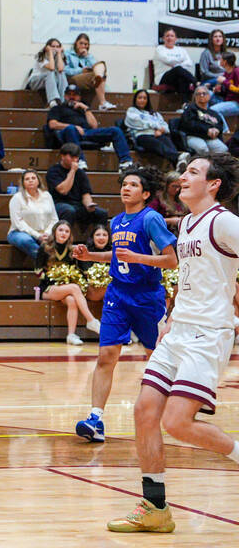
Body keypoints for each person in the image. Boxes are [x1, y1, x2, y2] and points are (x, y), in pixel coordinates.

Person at [107, 154, 239, 534]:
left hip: (207, 334)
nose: (183, 177)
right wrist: (170, 317)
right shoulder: (187, 223)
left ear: (213, 184)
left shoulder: (223, 221)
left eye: (193, 172)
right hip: (177, 329)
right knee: (144, 411)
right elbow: (189, 276)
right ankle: (155, 507)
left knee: (177, 422)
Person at [71, 166, 178, 442]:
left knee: (157, 357)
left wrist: (138, 258)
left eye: (133, 185)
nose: (126, 188)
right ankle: (95, 419)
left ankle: (173, 409)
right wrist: (90, 256)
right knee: (106, 355)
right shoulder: (117, 221)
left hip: (147, 296)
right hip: (117, 295)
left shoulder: (151, 218)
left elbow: (171, 260)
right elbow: (119, 256)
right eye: (124, 184)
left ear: (145, 193)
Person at [37, 220, 100, 345]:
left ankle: (71, 335)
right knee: (74, 288)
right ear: (54, 232)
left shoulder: (72, 250)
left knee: (71, 299)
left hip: (65, 288)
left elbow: (79, 269)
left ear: (70, 235)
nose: (63, 233)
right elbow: (37, 271)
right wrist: (54, 278)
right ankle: (91, 320)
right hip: (48, 288)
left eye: (67, 231)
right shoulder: (45, 248)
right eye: (60, 230)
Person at [46, 84, 135, 171]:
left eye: (75, 95)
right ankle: (79, 160)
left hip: (85, 132)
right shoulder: (57, 108)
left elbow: (94, 125)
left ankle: (126, 161)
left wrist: (86, 109)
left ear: (79, 97)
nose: (72, 97)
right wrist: (74, 127)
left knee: (115, 130)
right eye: (69, 94)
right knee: (71, 129)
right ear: (65, 96)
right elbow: (52, 124)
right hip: (67, 133)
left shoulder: (82, 109)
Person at [47, 143, 110, 232]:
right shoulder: (53, 171)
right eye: (71, 157)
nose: (75, 160)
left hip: (77, 204)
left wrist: (89, 204)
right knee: (69, 210)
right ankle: (66, 238)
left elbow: (86, 194)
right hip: (59, 203)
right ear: (62, 156)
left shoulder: (80, 173)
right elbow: (63, 190)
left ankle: (98, 237)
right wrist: (72, 171)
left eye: (76, 157)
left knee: (101, 213)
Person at [7, 169, 58, 261]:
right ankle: (46, 262)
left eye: (33, 178)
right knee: (25, 240)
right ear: (23, 183)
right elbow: (18, 223)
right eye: (27, 179)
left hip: (46, 233)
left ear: (38, 181)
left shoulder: (47, 196)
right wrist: (38, 236)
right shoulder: (17, 198)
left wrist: (47, 233)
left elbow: (54, 219)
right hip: (21, 232)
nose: (30, 180)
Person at [125, 88, 184, 166]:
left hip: (157, 134)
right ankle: (179, 158)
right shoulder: (132, 111)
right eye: (140, 98)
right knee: (158, 144)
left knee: (168, 142)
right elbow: (139, 123)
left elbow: (165, 126)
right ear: (135, 99)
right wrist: (156, 127)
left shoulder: (154, 114)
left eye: (145, 98)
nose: (142, 100)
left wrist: (161, 130)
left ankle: (178, 164)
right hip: (142, 136)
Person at [64, 33, 113, 110]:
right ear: (76, 43)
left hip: (87, 78)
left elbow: (95, 66)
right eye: (81, 43)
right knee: (99, 75)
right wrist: (81, 70)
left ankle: (98, 78)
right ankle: (103, 103)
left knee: (101, 65)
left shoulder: (88, 55)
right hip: (72, 78)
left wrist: (87, 56)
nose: (83, 46)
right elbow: (65, 70)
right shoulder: (67, 54)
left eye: (86, 44)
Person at [177, 85, 228, 155]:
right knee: (203, 148)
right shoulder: (190, 110)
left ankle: (215, 162)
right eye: (198, 94)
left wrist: (217, 130)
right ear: (195, 97)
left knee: (223, 149)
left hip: (209, 137)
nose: (201, 95)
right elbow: (189, 125)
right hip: (193, 136)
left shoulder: (213, 113)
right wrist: (206, 130)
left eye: (204, 93)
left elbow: (220, 125)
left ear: (209, 96)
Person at [153, 27, 197, 98]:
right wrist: (181, 60)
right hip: (162, 77)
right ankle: (196, 82)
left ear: (176, 39)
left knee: (182, 78)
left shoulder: (181, 50)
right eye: (167, 36)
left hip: (177, 76)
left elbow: (189, 63)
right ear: (163, 38)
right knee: (178, 69)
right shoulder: (159, 49)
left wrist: (176, 64)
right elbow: (168, 60)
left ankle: (184, 102)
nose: (169, 38)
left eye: (172, 36)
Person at [27, 37, 67, 106]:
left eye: (57, 47)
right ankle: (53, 100)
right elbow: (51, 67)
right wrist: (50, 52)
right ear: (47, 47)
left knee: (61, 74)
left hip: (50, 81)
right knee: (50, 72)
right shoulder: (41, 56)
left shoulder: (59, 56)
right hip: (35, 82)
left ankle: (64, 100)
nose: (55, 49)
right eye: (53, 46)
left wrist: (59, 54)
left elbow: (60, 69)